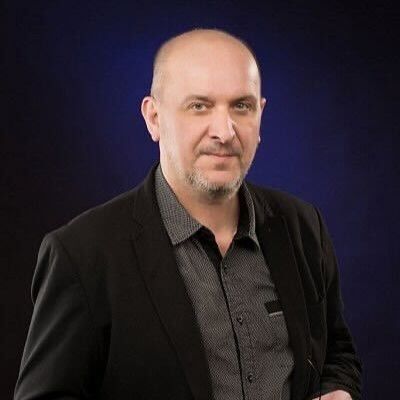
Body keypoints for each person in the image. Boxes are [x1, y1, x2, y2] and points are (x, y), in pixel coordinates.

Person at [14, 29, 362, 400]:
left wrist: (339, 390)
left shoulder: (303, 227)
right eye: (199, 106)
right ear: (153, 118)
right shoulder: (82, 255)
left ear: (260, 114)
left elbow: (336, 353)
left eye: (241, 106)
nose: (224, 132)